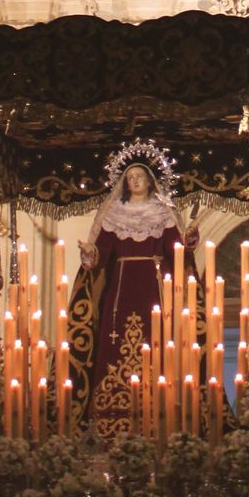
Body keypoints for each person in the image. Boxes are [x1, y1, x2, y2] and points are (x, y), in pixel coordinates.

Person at [72, 148, 196, 434]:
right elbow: (101, 256)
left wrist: (188, 239)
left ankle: (161, 408)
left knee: (158, 337)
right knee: (115, 337)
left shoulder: (163, 212)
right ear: (124, 183)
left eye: (140, 177)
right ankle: (112, 409)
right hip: (122, 288)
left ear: (151, 181)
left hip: (156, 286)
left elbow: (176, 250)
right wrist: (90, 252)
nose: (136, 182)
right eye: (131, 178)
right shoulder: (114, 214)